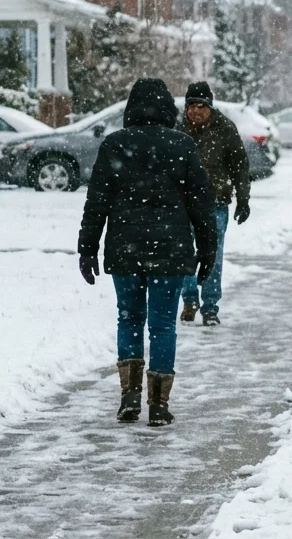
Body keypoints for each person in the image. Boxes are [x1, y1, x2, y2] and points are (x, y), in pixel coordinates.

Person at [78, 78, 217, 426]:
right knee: (163, 324)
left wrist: (87, 248)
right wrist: (208, 248)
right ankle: (158, 404)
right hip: (171, 249)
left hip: (125, 247)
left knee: (129, 318)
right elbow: (201, 203)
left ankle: (129, 397)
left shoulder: (115, 145)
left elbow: (97, 202)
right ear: (169, 109)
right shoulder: (182, 145)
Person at [177, 82, 250, 326]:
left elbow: (240, 166)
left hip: (214, 201)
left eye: (201, 106)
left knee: (213, 255)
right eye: (191, 106)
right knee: (184, 252)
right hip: (183, 202)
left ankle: (210, 306)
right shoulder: (177, 128)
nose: (195, 111)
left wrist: (243, 199)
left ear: (210, 107)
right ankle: (189, 300)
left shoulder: (225, 129)